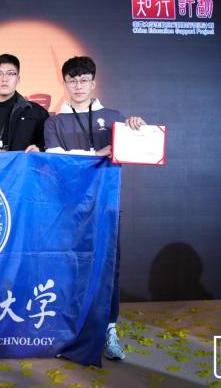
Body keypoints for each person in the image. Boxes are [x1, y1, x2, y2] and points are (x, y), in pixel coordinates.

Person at [44, 56, 146, 361]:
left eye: (84, 80)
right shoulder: (53, 122)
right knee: (69, 267)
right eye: (72, 80)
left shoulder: (114, 117)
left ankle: (109, 328)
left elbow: (134, 151)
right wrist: (97, 153)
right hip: (67, 209)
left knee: (108, 267)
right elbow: (57, 161)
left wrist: (137, 131)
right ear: (64, 83)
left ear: (93, 82)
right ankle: (66, 332)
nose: (78, 86)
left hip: (106, 206)